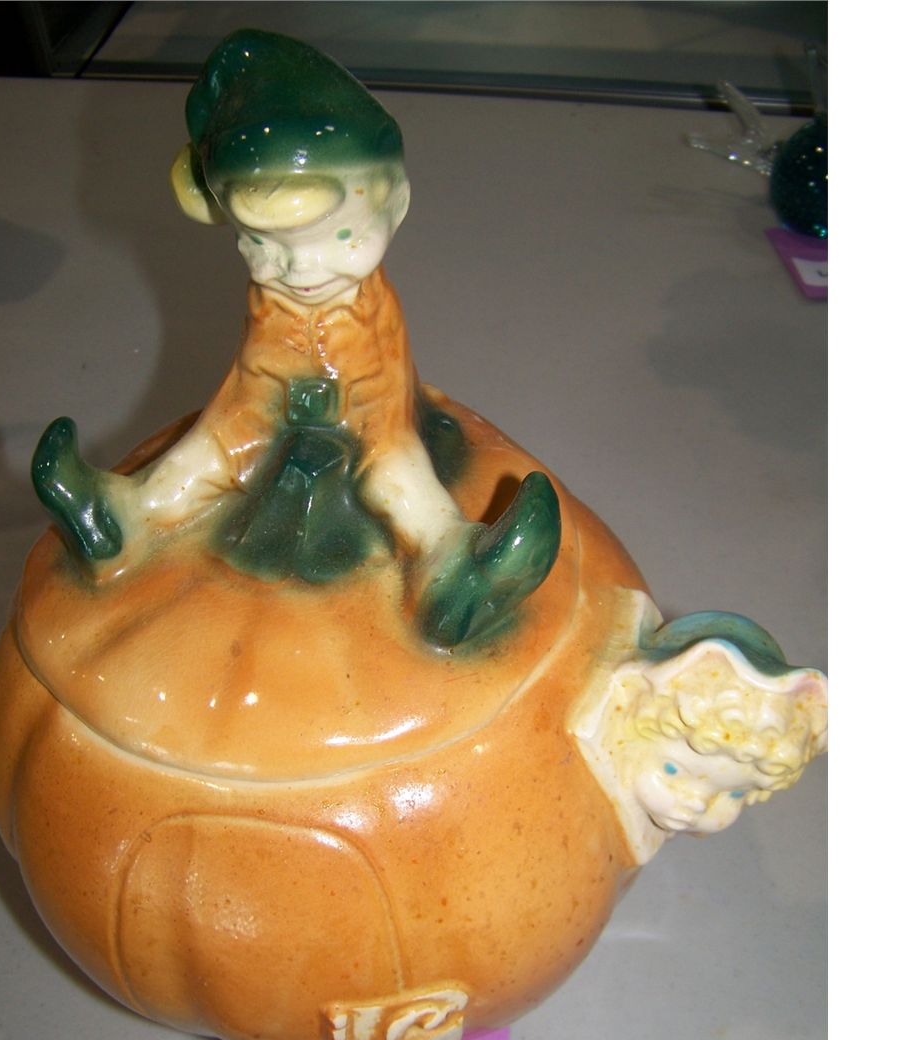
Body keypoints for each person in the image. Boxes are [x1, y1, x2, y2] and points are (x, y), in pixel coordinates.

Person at [34, 29, 560, 647]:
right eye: (258, 243)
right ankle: (122, 519)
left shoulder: (369, 314)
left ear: (395, 205)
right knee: (207, 453)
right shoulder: (268, 307)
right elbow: (249, 388)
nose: (298, 268)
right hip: (264, 412)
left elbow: (380, 401)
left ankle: (454, 568)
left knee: (395, 475)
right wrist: (242, 429)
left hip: (371, 418)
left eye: (338, 238)